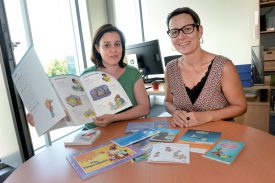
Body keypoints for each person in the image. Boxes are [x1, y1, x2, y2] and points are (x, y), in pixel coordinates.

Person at [27, 24, 150, 128]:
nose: (114, 50)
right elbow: (72, 111)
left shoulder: (132, 73)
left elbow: (144, 108)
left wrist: (113, 118)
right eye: (107, 45)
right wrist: (41, 118)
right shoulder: (86, 76)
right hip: (95, 135)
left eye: (117, 44)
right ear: (97, 48)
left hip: (127, 130)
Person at [164, 7, 247, 128]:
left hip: (221, 136)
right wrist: (175, 112)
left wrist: (207, 116)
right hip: (184, 137)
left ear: (200, 31)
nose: (180, 36)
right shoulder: (170, 68)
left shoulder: (223, 66)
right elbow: (168, 101)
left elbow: (240, 107)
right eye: (174, 32)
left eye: (187, 29)